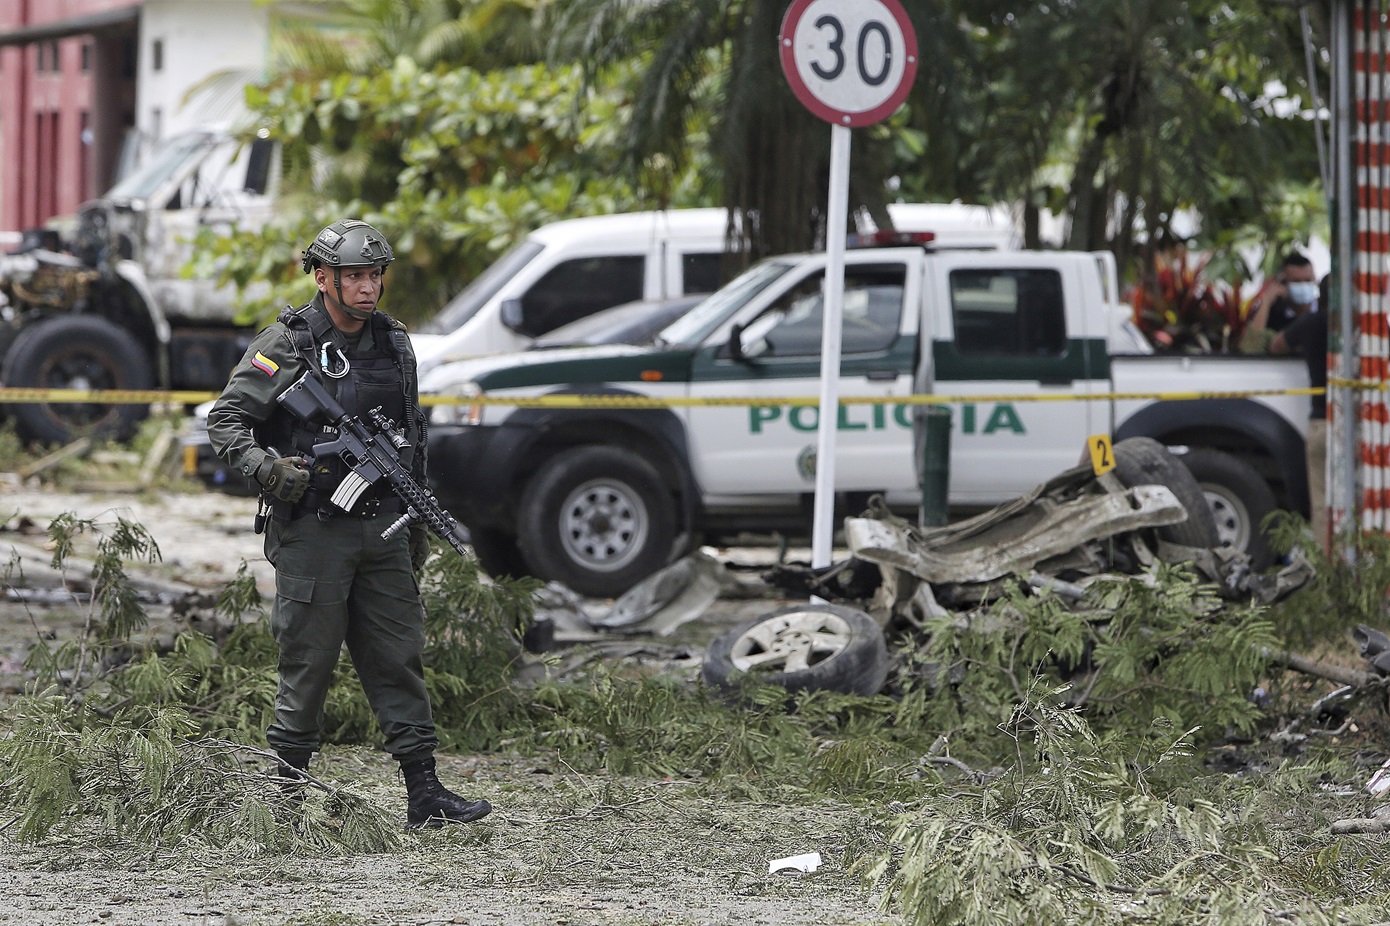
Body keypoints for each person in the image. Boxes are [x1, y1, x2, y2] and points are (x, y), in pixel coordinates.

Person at [207, 219, 492, 827]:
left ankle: (424, 793)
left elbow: (411, 440)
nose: (367, 288)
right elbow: (226, 420)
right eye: (355, 276)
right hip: (314, 531)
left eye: (375, 276)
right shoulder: (287, 344)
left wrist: (415, 522)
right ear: (323, 277)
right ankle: (284, 804)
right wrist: (269, 470)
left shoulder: (394, 343)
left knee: (398, 658)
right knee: (307, 663)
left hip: (383, 527)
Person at [1270, 274, 1330, 555]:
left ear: (1320, 297)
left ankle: (1327, 568)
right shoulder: (1368, 327)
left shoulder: (1311, 323)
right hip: (1362, 429)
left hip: (1320, 423)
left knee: (1320, 503)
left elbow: (1276, 345)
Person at [1243, 251, 1319, 351]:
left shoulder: (1325, 310)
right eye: (1296, 281)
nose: (1303, 285)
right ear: (1283, 283)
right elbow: (1251, 346)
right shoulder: (1272, 314)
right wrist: (1266, 300)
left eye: (1307, 280)